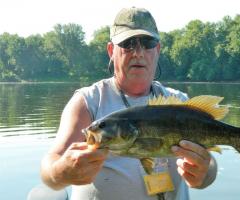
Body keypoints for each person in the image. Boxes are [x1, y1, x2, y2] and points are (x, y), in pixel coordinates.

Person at [40, 7, 217, 200]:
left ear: (157, 50)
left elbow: (210, 165)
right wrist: (61, 171)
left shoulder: (179, 104)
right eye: (128, 43)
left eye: (147, 43)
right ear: (111, 51)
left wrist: (203, 173)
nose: (138, 53)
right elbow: (50, 168)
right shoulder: (88, 102)